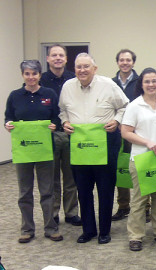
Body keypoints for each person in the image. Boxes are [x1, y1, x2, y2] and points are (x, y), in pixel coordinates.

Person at [59, 53, 129, 244]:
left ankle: (104, 231)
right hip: (80, 146)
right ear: (74, 69)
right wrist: (65, 122)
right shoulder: (67, 87)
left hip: (105, 143)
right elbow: (62, 110)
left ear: (94, 69)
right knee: (83, 189)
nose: (82, 70)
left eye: (86, 67)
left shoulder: (108, 85)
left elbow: (125, 106)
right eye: (78, 67)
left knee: (105, 189)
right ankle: (88, 230)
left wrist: (116, 120)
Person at [4, 60, 63, 243]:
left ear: (39, 75)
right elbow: (9, 117)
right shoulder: (14, 96)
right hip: (23, 152)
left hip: (45, 151)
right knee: (25, 192)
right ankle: (27, 229)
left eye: (34, 74)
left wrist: (55, 125)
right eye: (27, 74)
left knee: (47, 190)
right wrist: (7, 125)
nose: (31, 77)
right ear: (22, 75)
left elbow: (57, 118)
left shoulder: (49, 94)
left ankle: (51, 227)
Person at [121, 68, 156, 251]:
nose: (151, 84)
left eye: (154, 81)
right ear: (141, 84)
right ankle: (136, 236)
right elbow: (125, 132)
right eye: (147, 81)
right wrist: (148, 142)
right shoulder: (134, 105)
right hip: (141, 158)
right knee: (139, 199)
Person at [40, 44, 81, 226]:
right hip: (49, 135)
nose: (57, 58)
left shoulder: (74, 78)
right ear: (48, 58)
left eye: (61, 55)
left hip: (72, 134)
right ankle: (54, 212)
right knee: (52, 178)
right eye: (53, 55)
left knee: (72, 176)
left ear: (66, 59)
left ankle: (71, 212)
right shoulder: (40, 80)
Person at [111, 49, 139, 222]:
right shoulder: (110, 83)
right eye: (122, 60)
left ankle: (145, 207)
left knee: (139, 168)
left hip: (137, 133)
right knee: (121, 168)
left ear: (133, 62)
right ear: (118, 62)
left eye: (128, 60)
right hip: (117, 132)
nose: (125, 63)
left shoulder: (140, 81)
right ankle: (123, 206)